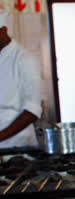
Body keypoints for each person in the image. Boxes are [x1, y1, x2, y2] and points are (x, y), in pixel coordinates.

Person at [0, 12, 42, 148]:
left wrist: (1, 136)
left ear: (4, 30)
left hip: (16, 145)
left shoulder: (24, 59)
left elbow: (33, 110)